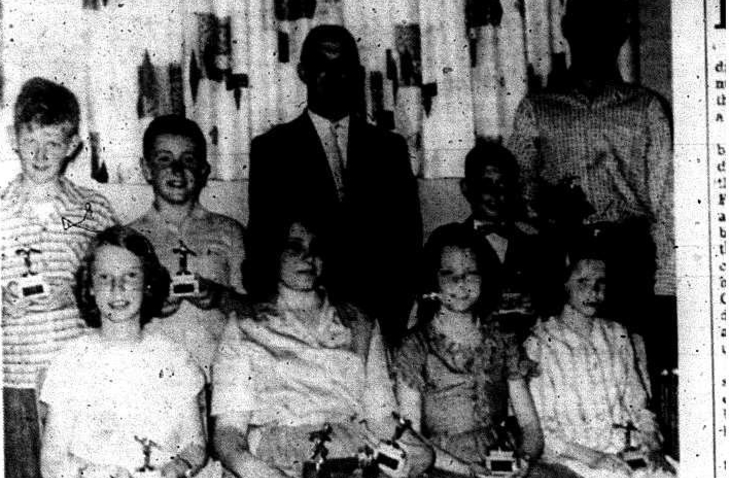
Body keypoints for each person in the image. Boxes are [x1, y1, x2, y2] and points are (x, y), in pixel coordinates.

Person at [509, 0, 676, 393]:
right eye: (584, 24)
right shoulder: (536, 109)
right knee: (563, 379)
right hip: (560, 261)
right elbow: (520, 198)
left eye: (606, 26)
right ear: (566, 28)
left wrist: (669, 286)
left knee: (631, 379)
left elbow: (667, 201)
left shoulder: (647, 107)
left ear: (621, 33)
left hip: (628, 261)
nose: (594, 37)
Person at [212, 217, 431, 478]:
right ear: (272, 253)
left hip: (352, 455)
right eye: (294, 247)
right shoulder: (245, 325)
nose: (308, 257)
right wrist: (255, 471)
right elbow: (229, 432)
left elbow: (381, 417)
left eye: (316, 248)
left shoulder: (359, 322)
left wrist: (419, 451)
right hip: (277, 463)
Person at [247, 24, 422, 346]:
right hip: (303, 319)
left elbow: (407, 243)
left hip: (381, 318)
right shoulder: (272, 149)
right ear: (303, 72)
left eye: (342, 67)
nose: (333, 75)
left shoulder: (389, 148)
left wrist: (393, 316)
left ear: (356, 73)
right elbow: (263, 244)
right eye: (322, 66)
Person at [393, 230, 594, 478]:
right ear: (433, 279)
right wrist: (468, 470)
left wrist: (522, 459)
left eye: (471, 273)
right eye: (448, 273)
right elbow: (412, 437)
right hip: (446, 466)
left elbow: (531, 427)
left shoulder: (502, 340)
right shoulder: (415, 346)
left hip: (504, 459)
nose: (461, 283)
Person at [1, 77, 116, 478]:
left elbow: (114, 285)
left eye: (53, 143)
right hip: (17, 381)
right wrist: (0, 301)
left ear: (73, 145)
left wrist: (72, 295)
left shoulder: (95, 209)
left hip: (79, 376)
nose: (40, 155)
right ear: (14, 139)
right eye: (31, 141)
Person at [39, 226, 214, 478]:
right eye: (104, 277)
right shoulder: (70, 361)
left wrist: (175, 469)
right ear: (90, 288)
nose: (117, 288)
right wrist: (104, 475)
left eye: (130, 276)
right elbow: (51, 464)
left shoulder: (174, 358)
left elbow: (195, 446)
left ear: (147, 284)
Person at [524, 250, 676, 478]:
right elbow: (542, 429)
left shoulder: (617, 334)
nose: (594, 291)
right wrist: (594, 458)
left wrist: (651, 442)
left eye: (600, 283)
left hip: (627, 451)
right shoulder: (541, 343)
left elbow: (638, 405)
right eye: (583, 282)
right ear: (563, 284)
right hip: (575, 459)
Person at [131, 115, 246, 378]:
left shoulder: (229, 231)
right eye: (164, 159)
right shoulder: (130, 238)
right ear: (146, 169)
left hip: (221, 374)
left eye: (189, 159)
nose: (177, 169)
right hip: (153, 376)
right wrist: (149, 306)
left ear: (203, 170)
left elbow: (254, 310)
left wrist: (220, 296)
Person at [424, 140, 553, 335]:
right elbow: (428, 305)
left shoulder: (535, 245)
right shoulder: (445, 242)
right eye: (486, 185)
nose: (496, 194)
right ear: (466, 188)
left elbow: (550, 307)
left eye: (504, 185)